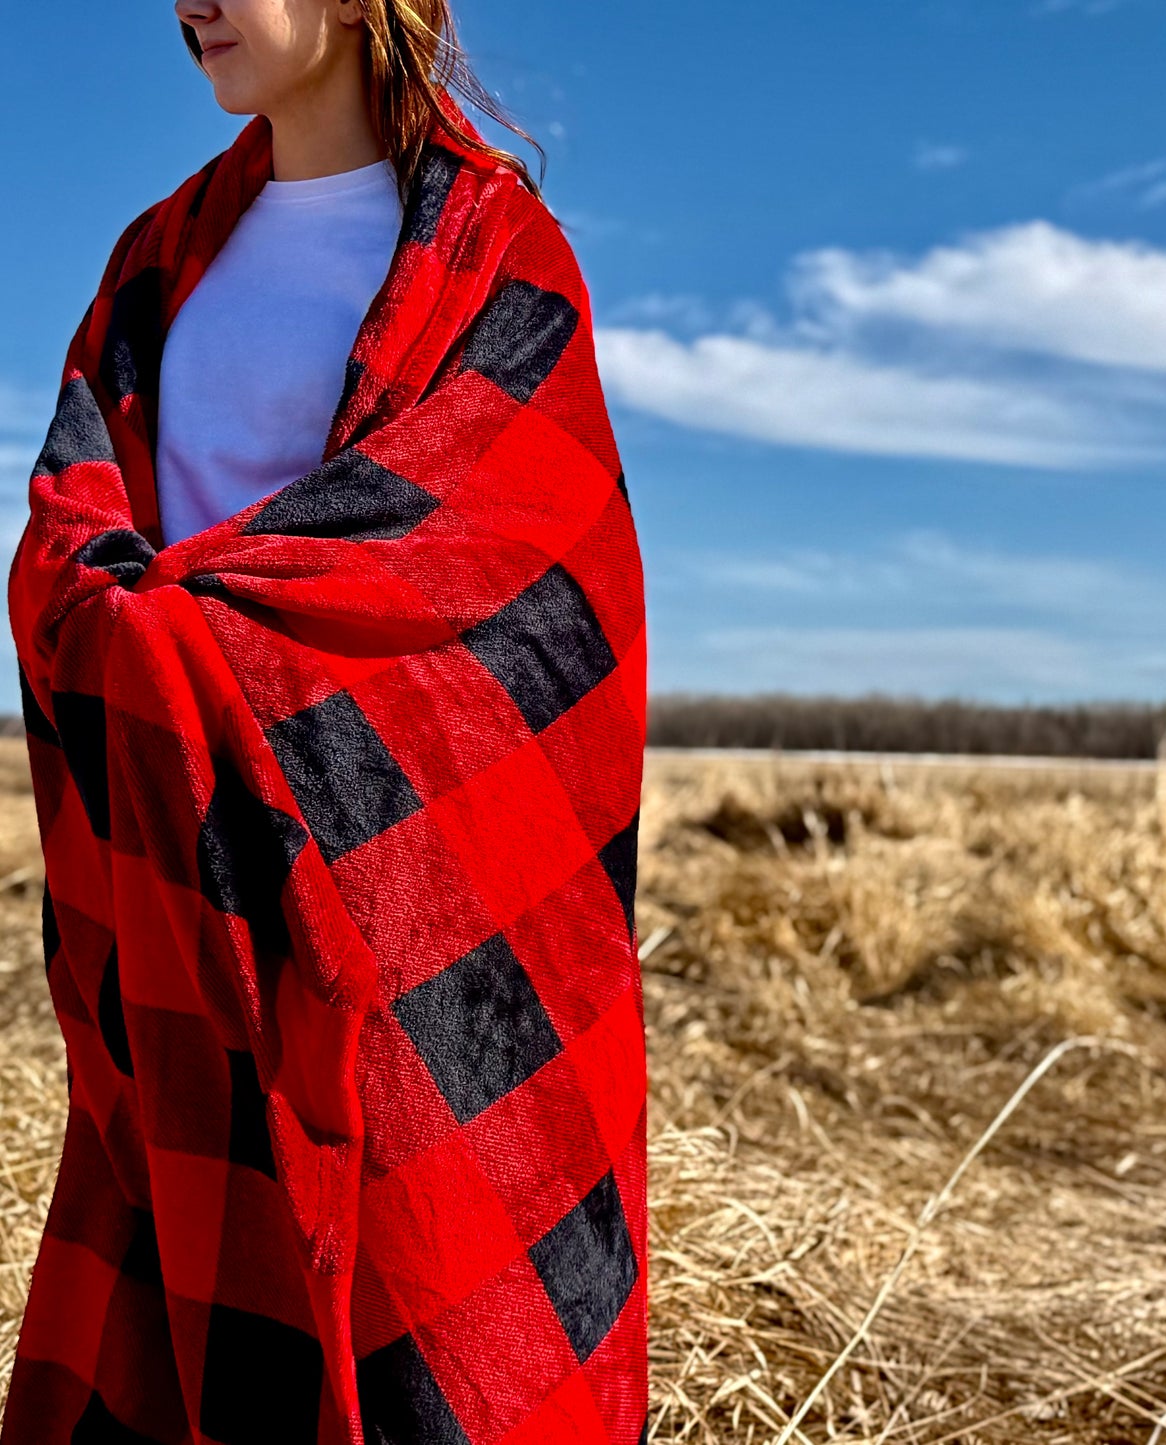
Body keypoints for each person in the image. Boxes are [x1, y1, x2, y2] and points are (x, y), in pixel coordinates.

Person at [2, 3, 649, 1443]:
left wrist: (189, 631)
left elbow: (505, 585)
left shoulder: (497, 258)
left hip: (415, 912)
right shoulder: (158, 261)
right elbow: (71, 523)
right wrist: (141, 636)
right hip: (191, 880)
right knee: (183, 1283)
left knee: (438, 1310)